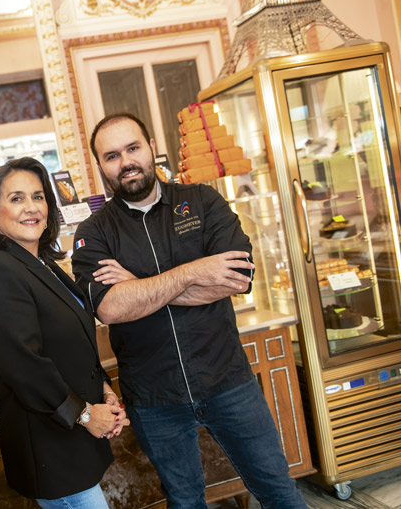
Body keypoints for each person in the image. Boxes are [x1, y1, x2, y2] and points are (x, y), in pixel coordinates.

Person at [71, 113, 307, 509]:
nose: (126, 162)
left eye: (133, 148)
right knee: (184, 502)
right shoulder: (94, 232)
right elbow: (110, 308)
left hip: (228, 380)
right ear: (100, 166)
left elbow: (237, 279)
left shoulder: (202, 201)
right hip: (154, 397)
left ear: (151, 148)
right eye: (112, 156)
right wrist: (194, 271)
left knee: (279, 492)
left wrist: (138, 284)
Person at [0, 157, 129, 508]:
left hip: (72, 434)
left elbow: (72, 342)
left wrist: (102, 389)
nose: (31, 207)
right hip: (49, 444)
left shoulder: (43, 264)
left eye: (38, 197)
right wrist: (85, 414)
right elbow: (25, 366)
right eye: (17, 198)